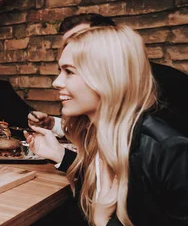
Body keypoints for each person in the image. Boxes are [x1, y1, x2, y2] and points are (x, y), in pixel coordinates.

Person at [25, 25, 188, 226]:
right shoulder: (98, 133)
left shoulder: (168, 150)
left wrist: (106, 225)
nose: (57, 82)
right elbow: (106, 186)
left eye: (69, 71)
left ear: (106, 77)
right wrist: (58, 154)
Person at [29, 13, 188, 136]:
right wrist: (55, 125)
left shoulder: (170, 82)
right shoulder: (84, 88)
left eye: (83, 39)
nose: (71, 48)